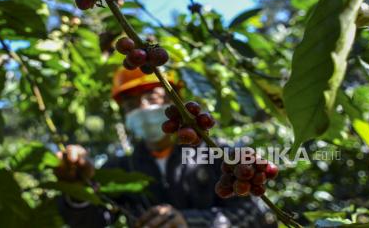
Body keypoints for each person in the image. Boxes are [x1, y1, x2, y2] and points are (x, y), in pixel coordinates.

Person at [56, 68, 277, 228]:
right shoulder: (123, 167)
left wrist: (190, 222)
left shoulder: (218, 154)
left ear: (175, 101)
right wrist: (78, 190)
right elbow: (93, 221)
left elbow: (256, 214)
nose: (143, 108)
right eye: (131, 104)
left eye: (151, 96)